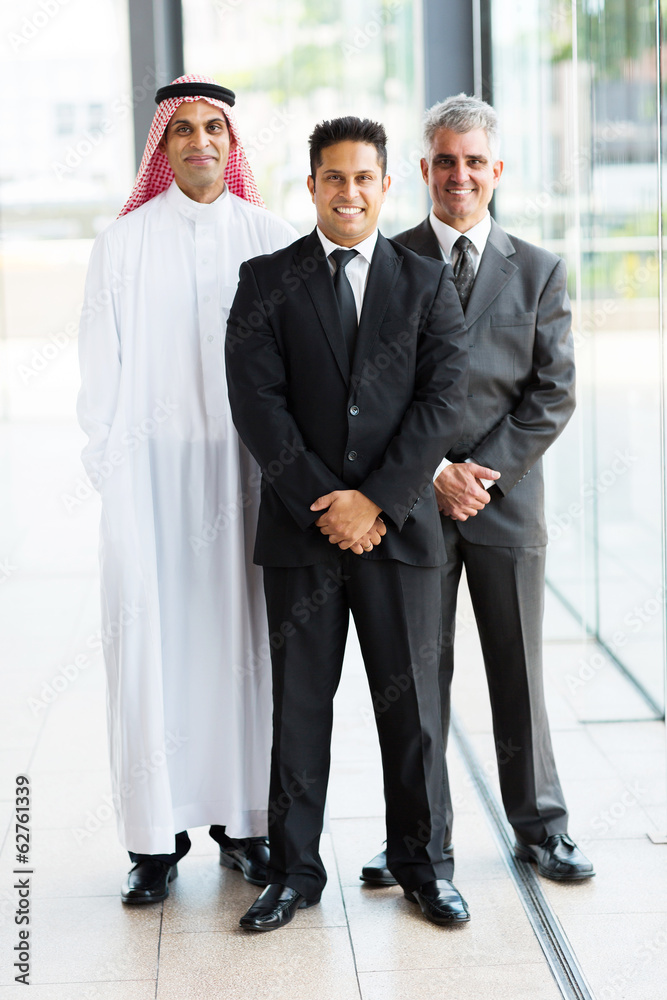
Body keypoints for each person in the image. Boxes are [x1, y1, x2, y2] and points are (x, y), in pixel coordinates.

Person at [225, 116, 470, 932]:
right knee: (298, 707)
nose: (349, 192)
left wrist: (378, 500)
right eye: (334, 178)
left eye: (364, 178)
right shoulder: (264, 281)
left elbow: (443, 402)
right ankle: (294, 872)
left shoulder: (427, 282)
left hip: (398, 534)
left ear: (386, 184)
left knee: (413, 713)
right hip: (304, 533)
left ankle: (423, 866)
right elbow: (257, 408)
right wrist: (329, 504)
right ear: (311, 187)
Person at [361, 94, 594, 887]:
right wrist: (431, 475)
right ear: (422, 171)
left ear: (496, 171)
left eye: (473, 162)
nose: (459, 176)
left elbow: (552, 393)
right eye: (444, 162)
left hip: (505, 506)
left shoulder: (537, 271)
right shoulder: (386, 265)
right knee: (414, 680)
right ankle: (415, 842)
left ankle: (542, 829)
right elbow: (373, 390)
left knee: (517, 674)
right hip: (413, 505)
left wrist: (478, 475)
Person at [77, 74, 298, 904]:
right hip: (149, 481)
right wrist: (113, 473)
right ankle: (154, 842)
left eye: (215, 129)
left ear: (232, 145)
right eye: (183, 130)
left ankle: (245, 826)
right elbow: (100, 371)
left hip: (246, 480)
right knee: (150, 651)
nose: (200, 141)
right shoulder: (122, 243)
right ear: (162, 146)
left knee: (244, 651)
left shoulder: (271, 236)